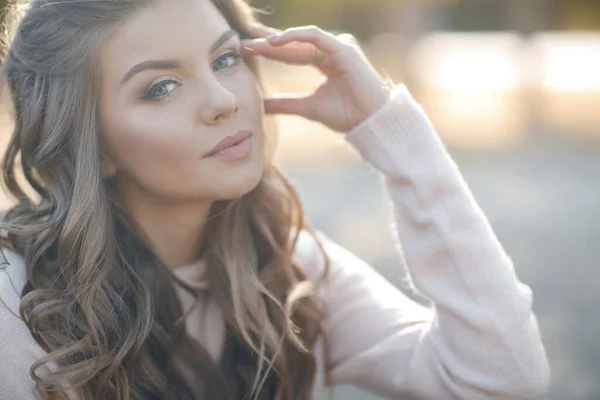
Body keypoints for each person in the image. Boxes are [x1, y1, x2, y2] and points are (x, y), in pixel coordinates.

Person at [0, 0, 549, 399]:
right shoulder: (16, 310)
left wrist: (389, 131)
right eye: (160, 87)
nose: (222, 100)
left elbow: (504, 378)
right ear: (91, 147)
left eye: (224, 60)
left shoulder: (291, 265)